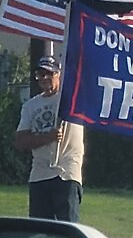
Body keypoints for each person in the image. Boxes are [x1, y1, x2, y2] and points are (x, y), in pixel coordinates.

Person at [13, 56, 85, 222]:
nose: (44, 78)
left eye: (49, 74)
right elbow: (20, 141)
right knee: (40, 230)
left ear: (58, 74)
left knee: (67, 228)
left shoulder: (71, 99)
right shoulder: (30, 106)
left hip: (66, 174)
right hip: (40, 175)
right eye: (40, 74)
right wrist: (48, 138)